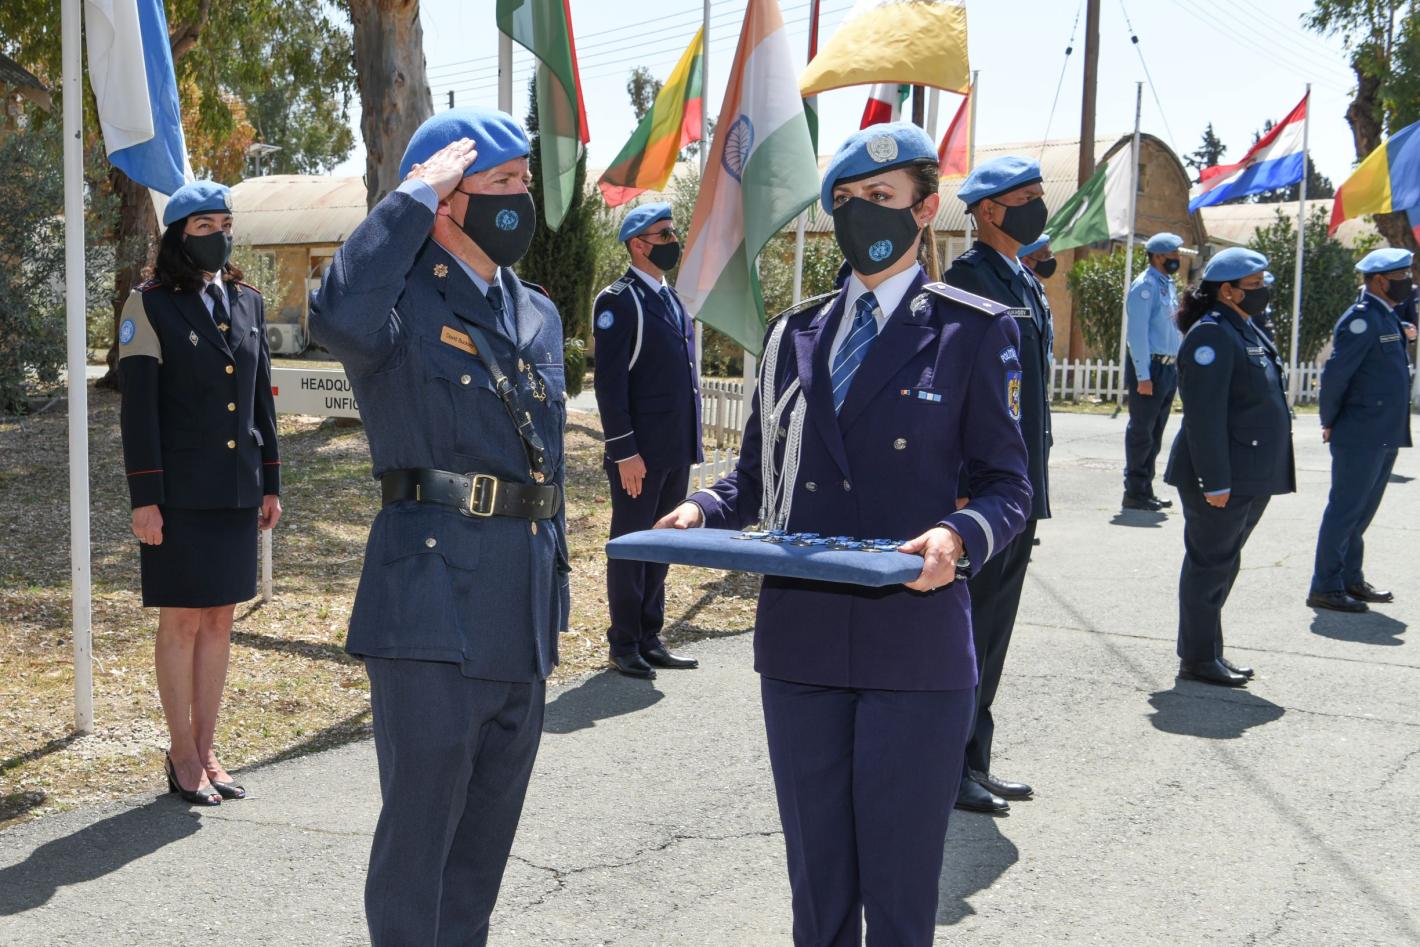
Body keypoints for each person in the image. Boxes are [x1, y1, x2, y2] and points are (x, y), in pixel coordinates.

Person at [656, 122, 1032, 946]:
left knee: (899, 897)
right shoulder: (793, 335)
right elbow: (756, 476)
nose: (863, 213)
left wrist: (957, 535)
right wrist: (703, 509)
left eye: (882, 197)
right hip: (805, 644)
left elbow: (1010, 486)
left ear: (925, 209)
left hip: (915, 644)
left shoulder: (973, 330)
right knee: (818, 892)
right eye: (850, 199)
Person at [309, 108, 570, 946]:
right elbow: (335, 314)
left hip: (519, 610)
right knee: (418, 848)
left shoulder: (537, 312)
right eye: (502, 182)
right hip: (431, 608)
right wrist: (409, 199)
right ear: (450, 201)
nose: (521, 198)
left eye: (525, 180)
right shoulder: (399, 303)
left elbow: (546, 468)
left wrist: (555, 593)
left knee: (481, 856)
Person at [117, 180, 282, 806]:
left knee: (220, 618)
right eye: (204, 226)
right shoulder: (150, 304)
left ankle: (209, 749)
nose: (219, 236)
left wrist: (271, 483)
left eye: (225, 224)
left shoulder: (248, 301)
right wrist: (145, 498)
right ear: (179, 236)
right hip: (179, 493)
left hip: (237, 489)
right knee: (182, 619)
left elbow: (261, 400)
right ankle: (181, 752)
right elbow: (139, 411)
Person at [941, 165, 1053, 815]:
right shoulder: (968, 281)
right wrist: (961, 487)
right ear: (987, 211)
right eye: (1025, 199)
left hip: (1019, 485)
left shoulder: (1022, 279)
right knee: (969, 632)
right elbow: (954, 389)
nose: (1038, 207)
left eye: (1039, 196)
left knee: (994, 631)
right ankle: (949, 767)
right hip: (981, 493)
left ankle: (975, 760)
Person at [1163, 247, 1294, 687]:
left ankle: (1208, 651)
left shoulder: (1244, 327)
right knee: (1210, 565)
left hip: (1248, 471)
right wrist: (1214, 480)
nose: (1263, 291)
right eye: (1254, 286)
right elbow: (1204, 415)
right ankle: (1198, 658)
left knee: (1222, 563)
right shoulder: (1212, 335)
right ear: (1228, 291)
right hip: (1222, 476)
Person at [593, 202, 701, 678]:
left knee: (662, 546)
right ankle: (624, 642)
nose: (673, 241)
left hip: (674, 448)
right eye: (664, 235)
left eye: (673, 232)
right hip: (640, 455)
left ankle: (650, 636)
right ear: (638, 245)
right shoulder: (619, 301)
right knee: (632, 546)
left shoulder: (670, 298)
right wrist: (624, 451)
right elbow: (610, 384)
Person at [1306, 248, 1415, 613]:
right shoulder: (1362, 319)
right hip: (1361, 430)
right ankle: (1325, 585)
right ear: (1379, 281)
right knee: (1345, 510)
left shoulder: (1386, 316)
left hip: (1383, 430)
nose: (1408, 282)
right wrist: (1329, 420)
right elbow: (1336, 375)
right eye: (1401, 277)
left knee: (1362, 512)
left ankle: (1350, 578)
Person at [1123, 232, 1185, 511]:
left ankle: (1145, 488)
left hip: (1167, 367)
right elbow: (1137, 335)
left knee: (1155, 433)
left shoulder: (1166, 285)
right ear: (1158, 256)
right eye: (1174, 254)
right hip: (1151, 368)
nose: (1177, 259)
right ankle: (1134, 492)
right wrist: (1143, 376)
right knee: (1142, 433)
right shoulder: (1145, 286)